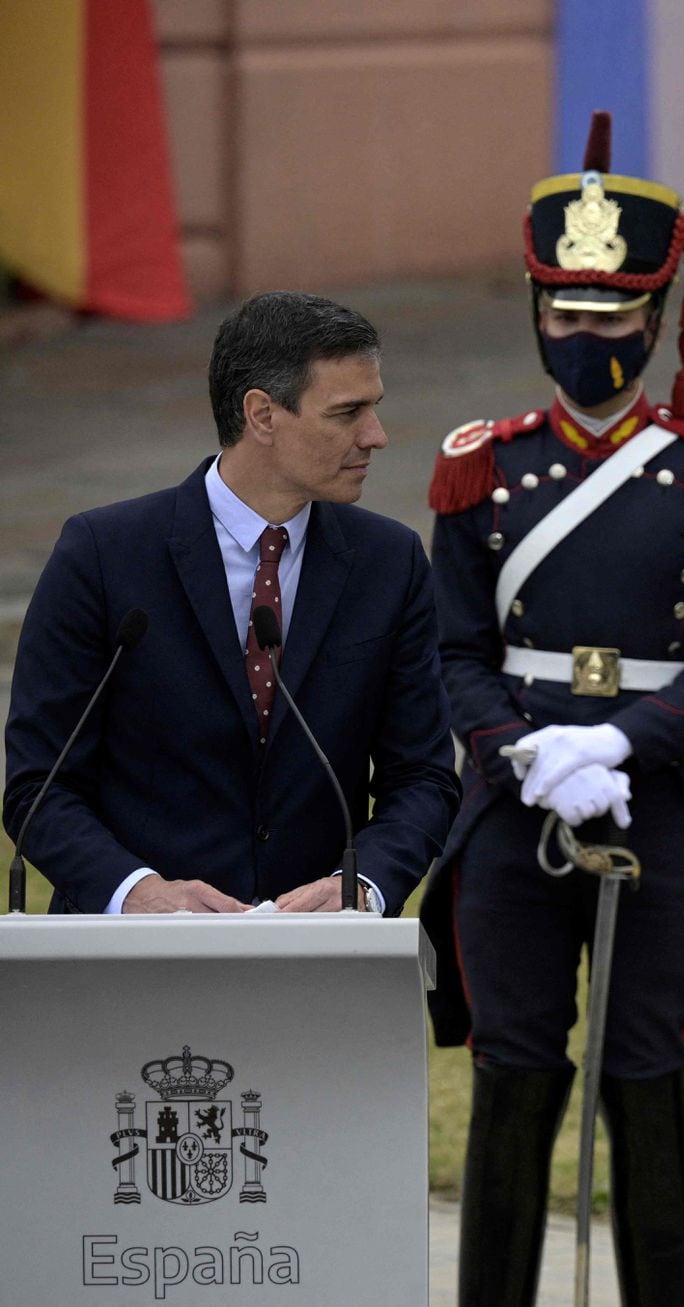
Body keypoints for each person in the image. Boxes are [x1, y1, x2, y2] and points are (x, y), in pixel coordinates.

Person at [421, 111, 684, 1307]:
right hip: (515, 803)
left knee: (645, 1071)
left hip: (656, 806)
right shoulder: (481, 466)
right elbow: (453, 646)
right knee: (514, 1072)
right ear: (536, 316)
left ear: (655, 317)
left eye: (611, 316)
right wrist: (524, 752)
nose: (587, 339)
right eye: (566, 316)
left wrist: (624, 739)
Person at [2, 291, 459, 914]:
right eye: (347, 413)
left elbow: (424, 778)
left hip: (319, 962)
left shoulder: (391, 561)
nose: (376, 436)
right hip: (131, 965)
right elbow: (39, 784)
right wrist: (135, 891)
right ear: (262, 415)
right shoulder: (104, 554)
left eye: (374, 408)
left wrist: (365, 886)